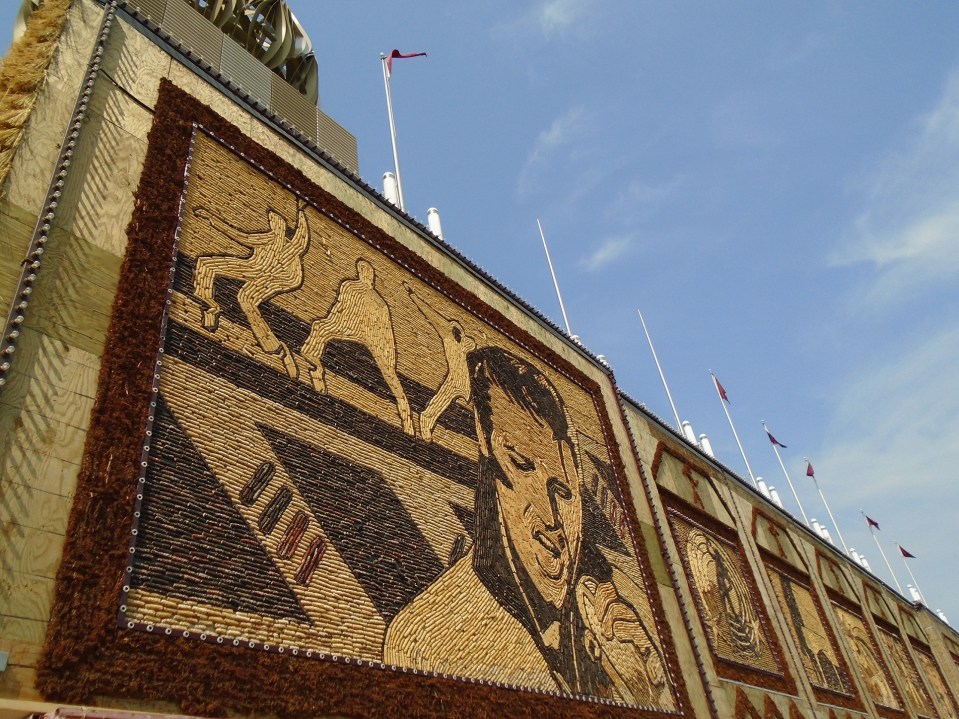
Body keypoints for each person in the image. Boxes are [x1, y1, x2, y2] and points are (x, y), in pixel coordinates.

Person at [384, 346, 672, 707]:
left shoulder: (628, 604)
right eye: (521, 464)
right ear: (485, 440)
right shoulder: (426, 642)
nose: (552, 518)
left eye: (564, 492)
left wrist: (649, 696)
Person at [192, 202, 313, 379]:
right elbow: (239, 236)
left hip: (281, 277)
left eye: (275, 221)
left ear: (281, 226)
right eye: (272, 221)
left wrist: (301, 213)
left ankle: (278, 350)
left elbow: (302, 240)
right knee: (206, 263)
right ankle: (210, 307)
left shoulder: (288, 246)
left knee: (245, 297)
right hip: (255, 268)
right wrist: (211, 218)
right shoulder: (266, 238)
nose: (273, 223)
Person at [299, 258, 415, 436]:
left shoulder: (373, 299)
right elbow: (339, 310)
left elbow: (385, 331)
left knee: (390, 374)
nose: (367, 274)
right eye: (364, 270)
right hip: (354, 329)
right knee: (319, 328)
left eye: (368, 272)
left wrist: (388, 356)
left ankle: (406, 414)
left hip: (366, 334)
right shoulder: (358, 290)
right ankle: (315, 368)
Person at [403, 281, 476, 442]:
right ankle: (426, 420)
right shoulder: (448, 333)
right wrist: (414, 296)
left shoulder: (466, 341)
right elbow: (431, 314)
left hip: (468, 382)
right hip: (456, 377)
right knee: (441, 400)